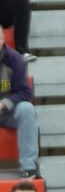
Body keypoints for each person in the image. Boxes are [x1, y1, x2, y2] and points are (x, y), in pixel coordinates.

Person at [0, 27, 39, 178]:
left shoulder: (15, 59)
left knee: (27, 109)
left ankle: (29, 168)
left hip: (8, 111)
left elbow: (24, 92)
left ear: (3, 39)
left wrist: (4, 104)